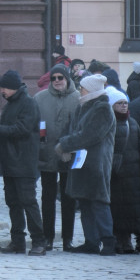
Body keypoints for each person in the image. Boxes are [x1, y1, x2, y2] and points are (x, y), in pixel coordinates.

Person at [57, 73, 117, 255]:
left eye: (82, 88)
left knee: (98, 201)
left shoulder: (102, 109)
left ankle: (108, 241)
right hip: (81, 162)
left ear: (91, 90)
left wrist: (65, 144)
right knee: (84, 202)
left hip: (96, 163)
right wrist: (66, 143)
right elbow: (72, 130)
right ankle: (91, 241)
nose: (80, 90)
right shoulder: (82, 107)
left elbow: (89, 135)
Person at [0, 70, 46, 255]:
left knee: (28, 202)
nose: (2, 91)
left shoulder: (29, 103)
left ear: (14, 87)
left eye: (5, 88)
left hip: (24, 161)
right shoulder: (10, 104)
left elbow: (22, 129)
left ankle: (38, 241)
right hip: (10, 162)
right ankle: (17, 242)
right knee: (13, 203)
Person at [35, 63, 80, 251]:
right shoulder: (40, 98)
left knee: (69, 199)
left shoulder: (78, 98)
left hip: (69, 155)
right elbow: (34, 124)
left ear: (67, 78)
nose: (57, 81)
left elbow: (81, 126)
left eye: (60, 77)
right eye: (53, 78)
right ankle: (48, 237)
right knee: (47, 198)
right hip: (46, 154)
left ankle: (67, 239)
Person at [107, 89, 140, 253]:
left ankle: (132, 241)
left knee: (134, 211)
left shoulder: (133, 123)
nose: (123, 106)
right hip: (116, 174)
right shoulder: (109, 123)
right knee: (118, 210)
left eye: (125, 103)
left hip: (134, 175)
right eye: (119, 103)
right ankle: (122, 241)